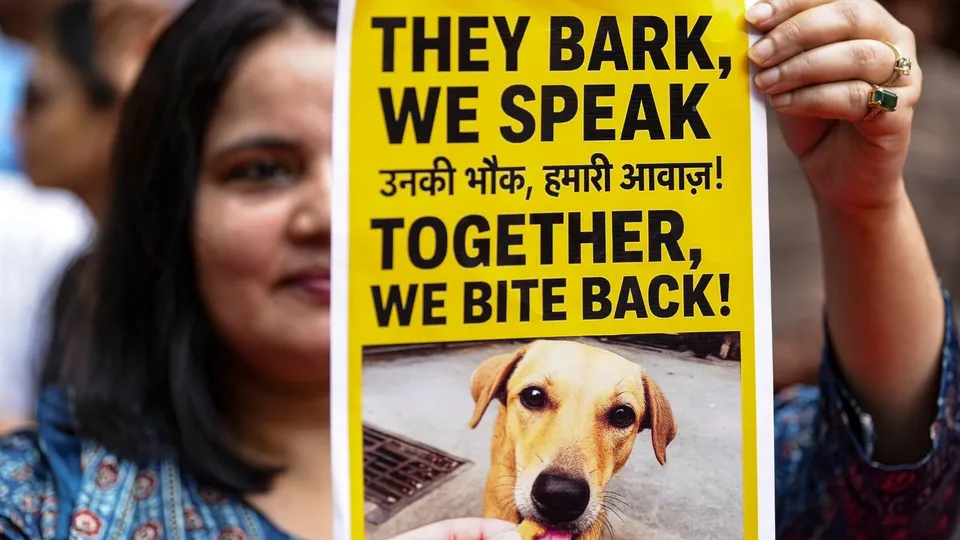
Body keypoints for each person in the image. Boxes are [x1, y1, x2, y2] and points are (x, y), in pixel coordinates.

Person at [0, 0, 951, 539]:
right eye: (263, 169)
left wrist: (863, 203)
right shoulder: (49, 505)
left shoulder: (738, 498)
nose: (335, 212)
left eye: (380, 161)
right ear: (171, 214)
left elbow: (888, 490)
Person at [0, 0, 174, 431]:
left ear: (115, 107)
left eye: (37, 101)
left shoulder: (178, 271)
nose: (16, 122)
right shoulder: (79, 276)